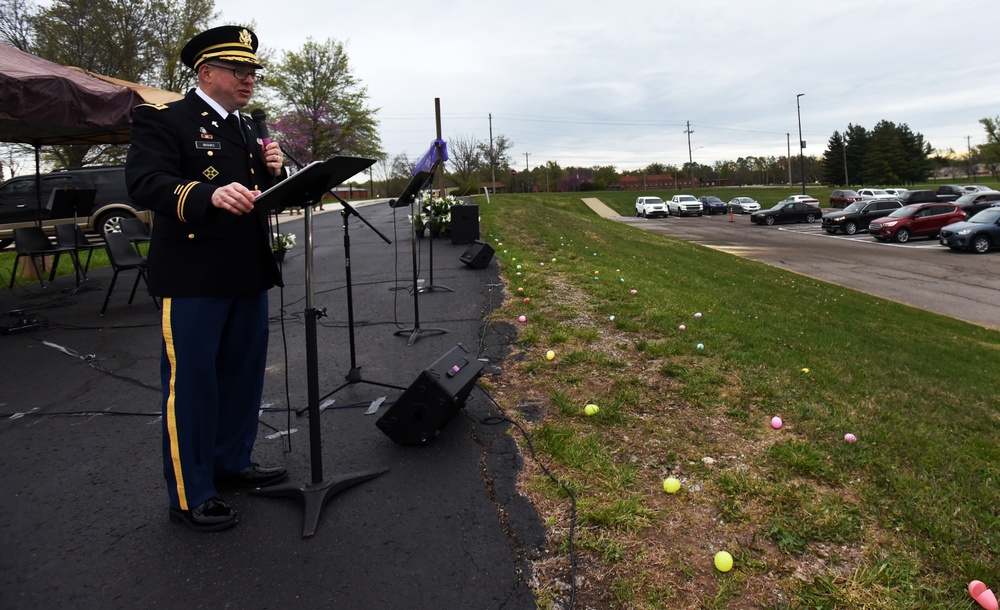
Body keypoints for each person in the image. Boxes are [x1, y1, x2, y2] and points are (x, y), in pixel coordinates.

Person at [125, 25, 288, 532]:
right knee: (193, 384)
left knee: (242, 376)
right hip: (194, 274)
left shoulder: (249, 128)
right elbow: (145, 182)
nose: (250, 79)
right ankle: (190, 493)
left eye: (253, 71)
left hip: (246, 268)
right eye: (239, 70)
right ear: (206, 72)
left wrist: (277, 172)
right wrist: (205, 195)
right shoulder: (164, 120)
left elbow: (264, 196)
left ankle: (231, 463)